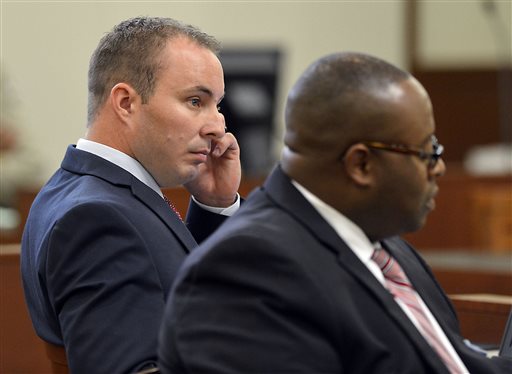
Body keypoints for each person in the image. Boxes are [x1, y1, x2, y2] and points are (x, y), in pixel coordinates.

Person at [158, 52, 512, 373]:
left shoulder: (388, 248)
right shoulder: (244, 275)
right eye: (427, 152)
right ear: (360, 164)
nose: (439, 169)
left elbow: (459, 365)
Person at [21, 16, 241, 374]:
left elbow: (184, 295)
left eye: (216, 105)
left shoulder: (78, 188)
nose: (218, 126)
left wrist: (213, 206)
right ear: (125, 102)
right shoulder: (96, 218)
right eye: (195, 101)